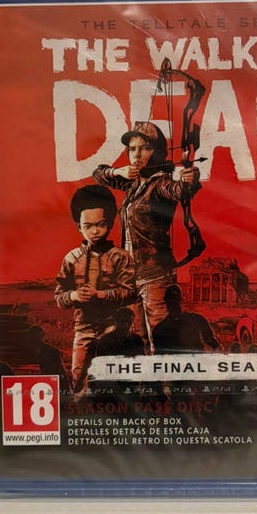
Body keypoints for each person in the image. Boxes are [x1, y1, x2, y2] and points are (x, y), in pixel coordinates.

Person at [93, 122, 201, 351]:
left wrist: (189, 180)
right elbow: (99, 174)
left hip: (155, 276)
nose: (137, 154)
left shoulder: (160, 184)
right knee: (136, 339)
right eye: (132, 149)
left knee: (160, 340)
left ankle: (166, 375)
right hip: (130, 276)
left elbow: (178, 190)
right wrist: (117, 171)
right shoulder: (133, 184)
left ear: (157, 152)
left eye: (145, 148)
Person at [55, 185, 135, 397]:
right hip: (83, 330)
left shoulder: (121, 257)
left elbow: (130, 292)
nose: (95, 231)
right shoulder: (72, 259)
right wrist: (73, 295)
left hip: (113, 330)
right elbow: (59, 297)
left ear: (110, 223)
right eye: (88, 226)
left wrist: (99, 295)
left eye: (100, 225)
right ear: (78, 227)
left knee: (113, 382)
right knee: (78, 381)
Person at [152, 284, 222, 354]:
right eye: (171, 300)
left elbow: (215, 345)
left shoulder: (197, 320)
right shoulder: (197, 319)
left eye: (175, 300)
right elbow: (215, 345)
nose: (173, 303)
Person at [25, 325, 70, 391]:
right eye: (33, 336)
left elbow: (61, 370)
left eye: (36, 335)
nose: (35, 338)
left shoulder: (52, 351)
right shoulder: (28, 351)